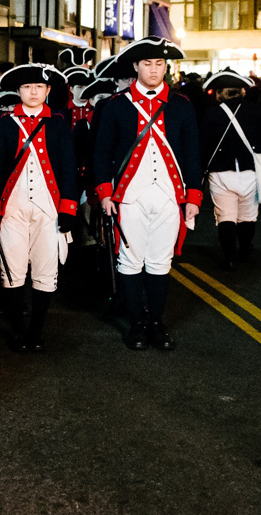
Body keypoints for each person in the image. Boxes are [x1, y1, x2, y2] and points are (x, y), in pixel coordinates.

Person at [93, 36, 203, 351]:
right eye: (147, 64)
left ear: (166, 67)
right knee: (130, 260)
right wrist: (104, 192)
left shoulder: (181, 105)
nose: (154, 70)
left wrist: (193, 196)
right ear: (135, 67)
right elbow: (101, 153)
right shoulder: (115, 105)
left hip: (170, 195)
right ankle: (137, 324)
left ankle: (156, 323)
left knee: (159, 262)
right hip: (129, 197)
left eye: (159, 64)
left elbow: (193, 153)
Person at [0, 63, 77, 352]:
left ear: (48, 91)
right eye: (26, 87)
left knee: (46, 268)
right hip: (12, 207)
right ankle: (17, 329)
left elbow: (68, 169)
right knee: (10, 268)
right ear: (18, 92)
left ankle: (36, 329)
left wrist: (68, 209)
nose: (33, 92)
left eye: (38, 87)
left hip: (49, 209)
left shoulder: (59, 124)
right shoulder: (5, 124)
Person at [200, 68, 261, 269]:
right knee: (247, 216)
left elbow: (204, 145)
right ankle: (245, 250)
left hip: (220, 172)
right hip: (250, 170)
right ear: (242, 90)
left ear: (219, 92)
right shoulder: (255, 111)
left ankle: (228, 257)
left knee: (225, 216)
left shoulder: (211, 114)